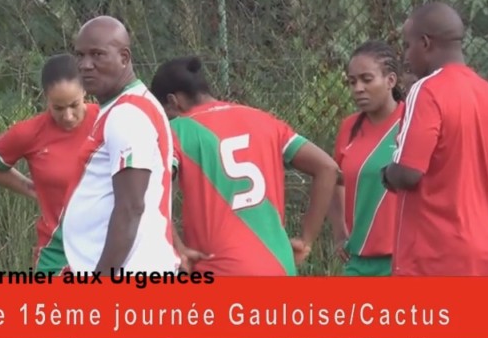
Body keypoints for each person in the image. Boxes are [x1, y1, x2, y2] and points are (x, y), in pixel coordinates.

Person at [150, 56, 338, 277]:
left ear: (174, 101)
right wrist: (306, 239)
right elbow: (328, 167)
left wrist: (178, 248)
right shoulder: (264, 120)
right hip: (278, 266)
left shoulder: (176, 131)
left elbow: (152, 195)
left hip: (220, 270)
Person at [382, 1, 488, 277]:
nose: (405, 56)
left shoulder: (427, 90)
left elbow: (407, 173)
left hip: (433, 259)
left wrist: (387, 174)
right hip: (486, 259)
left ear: (425, 43)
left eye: (407, 45)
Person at [61, 16, 179, 280]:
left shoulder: (129, 114)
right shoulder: (121, 108)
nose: (85, 65)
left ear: (124, 57)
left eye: (97, 55)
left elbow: (131, 207)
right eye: (80, 55)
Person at [0, 53, 98, 272]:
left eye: (74, 105)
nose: (68, 116)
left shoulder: (107, 121)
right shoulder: (29, 132)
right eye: (58, 108)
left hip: (105, 248)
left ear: (85, 92)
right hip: (56, 254)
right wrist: (32, 188)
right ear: (45, 99)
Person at [328, 41, 404, 277]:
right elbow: (334, 179)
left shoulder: (413, 121)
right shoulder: (349, 127)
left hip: (403, 260)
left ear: (391, 80)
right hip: (358, 261)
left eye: (367, 79)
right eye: (352, 82)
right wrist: (340, 232)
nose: (358, 88)